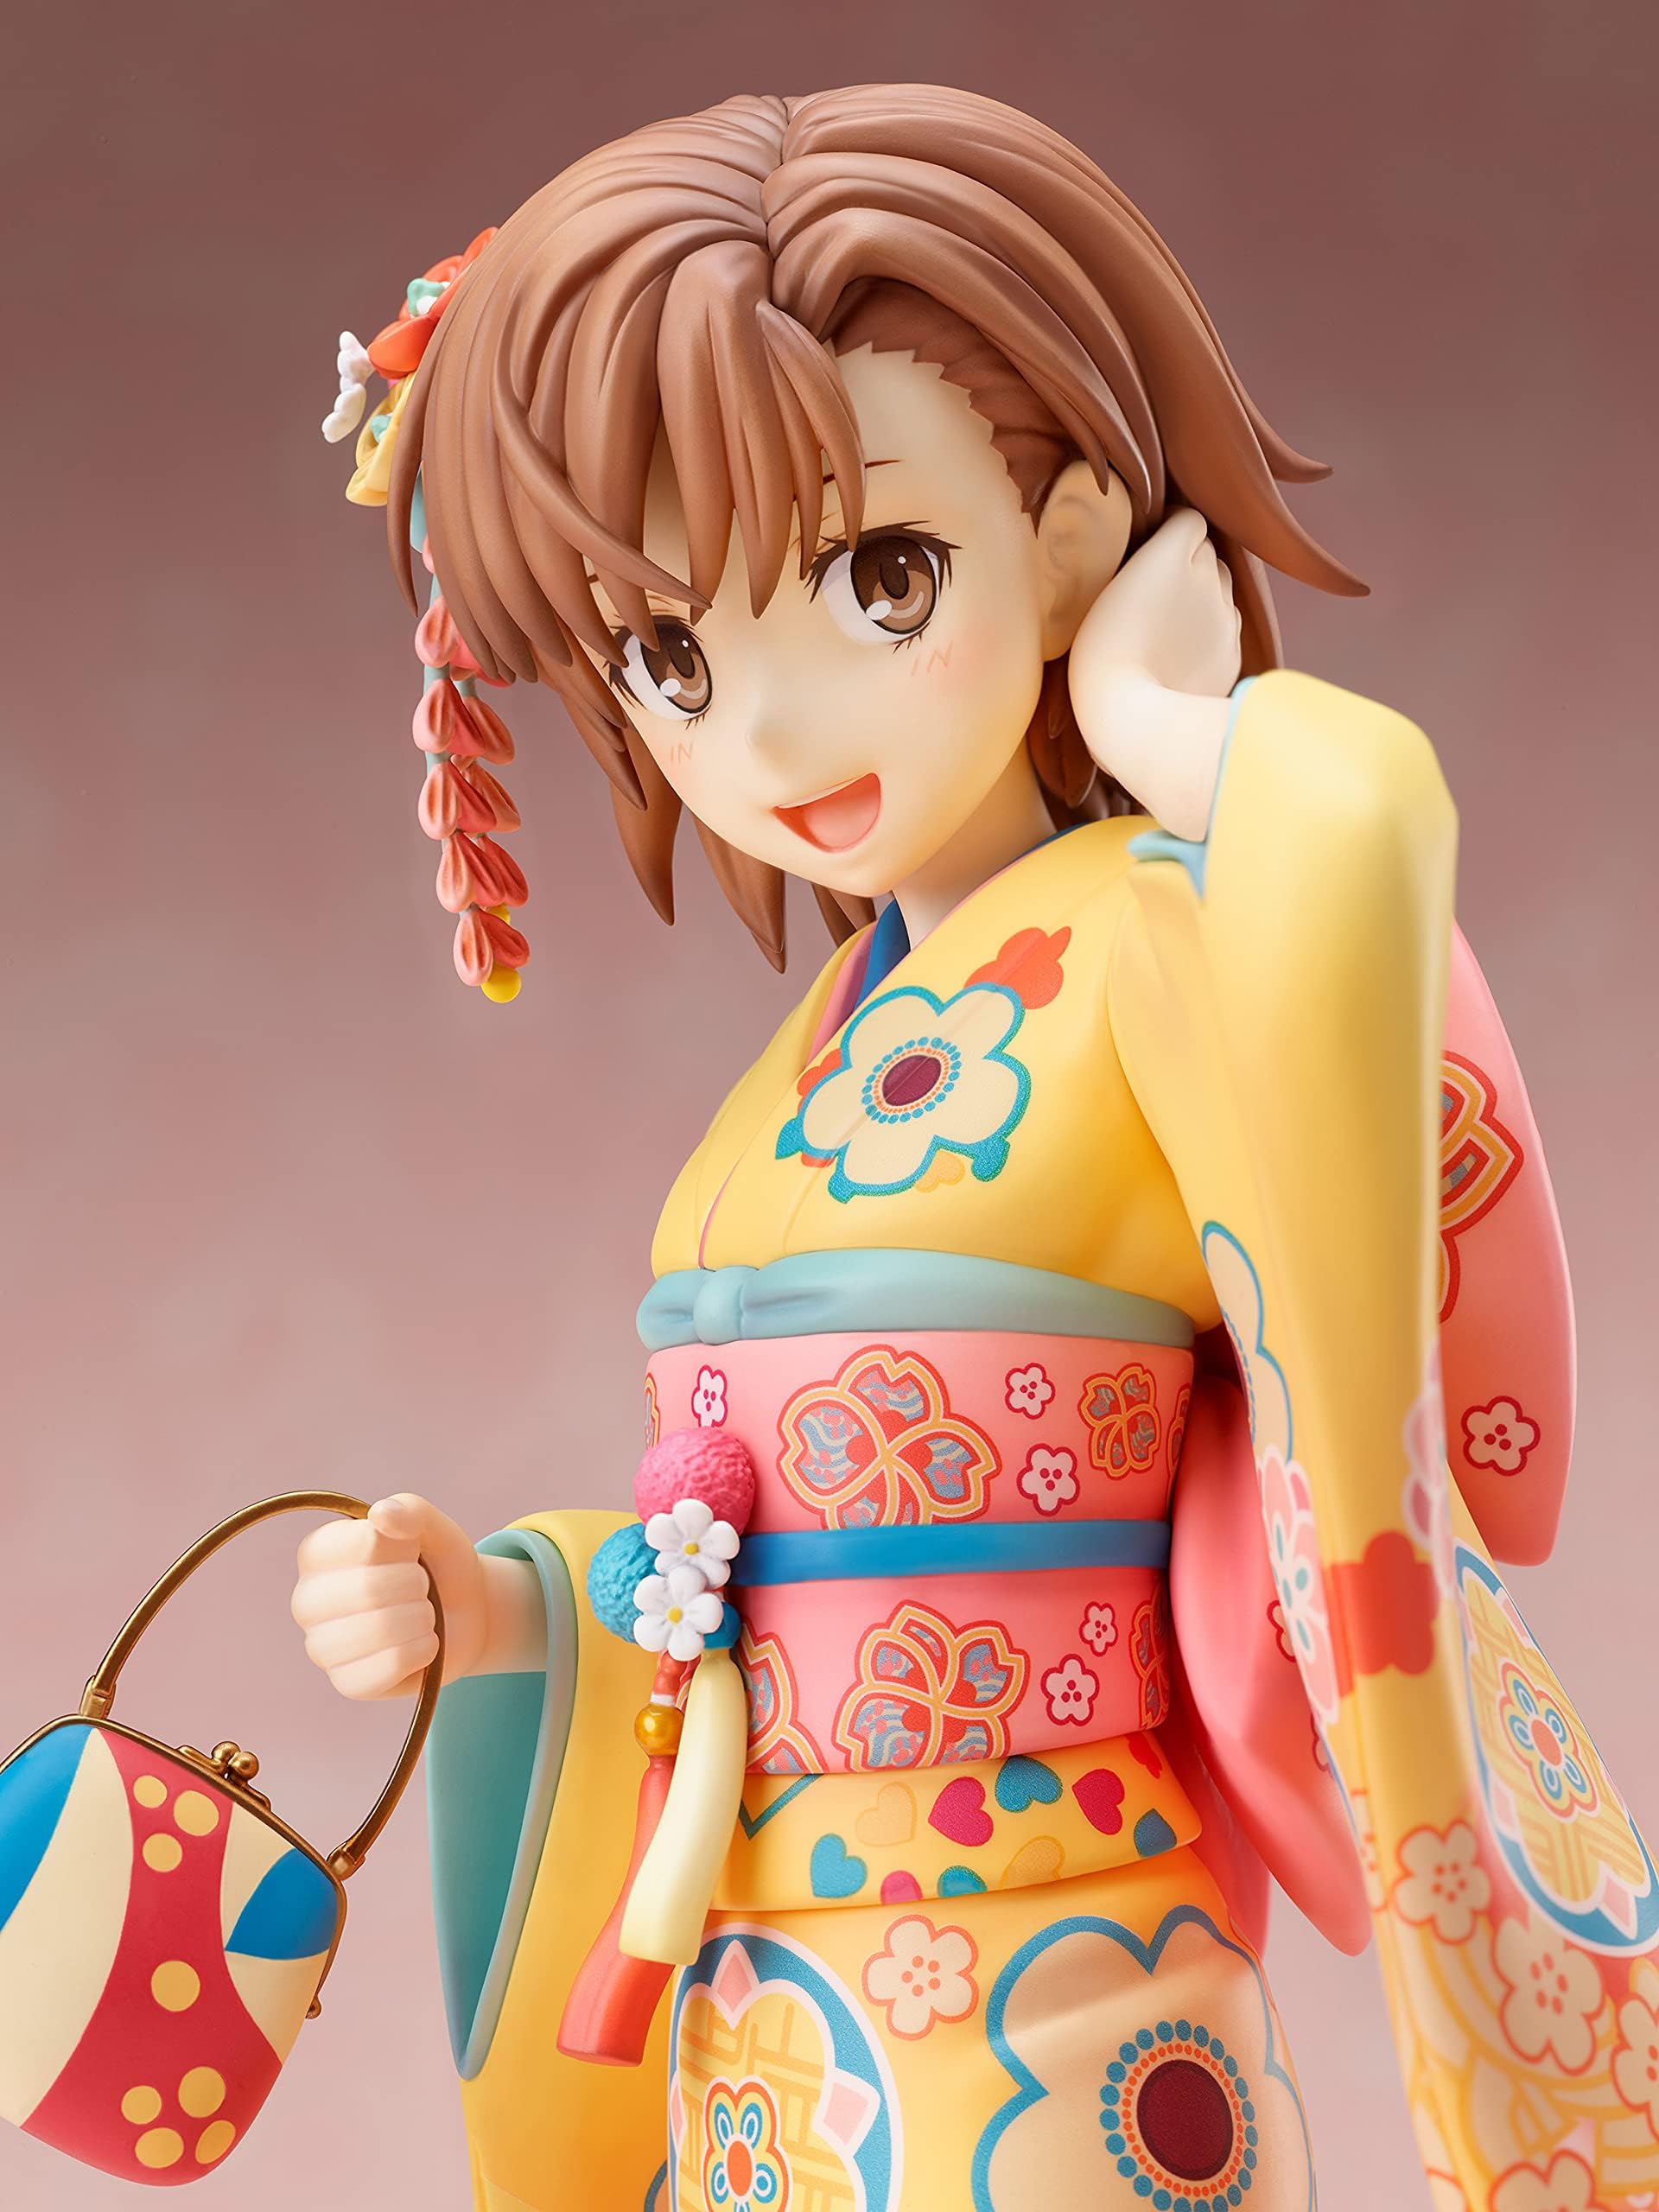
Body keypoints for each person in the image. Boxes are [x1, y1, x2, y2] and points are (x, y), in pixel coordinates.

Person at [296, 86, 1657, 2211]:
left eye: (879, 574)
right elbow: (746, 1576)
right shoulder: (801, 1065)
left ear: (1077, 536)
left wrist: (1186, 742)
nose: (766, 730)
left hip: (1060, 1975)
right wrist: (509, 1604)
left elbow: (1358, 886)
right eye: (671, 653)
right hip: (773, 2023)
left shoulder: (1148, 935)